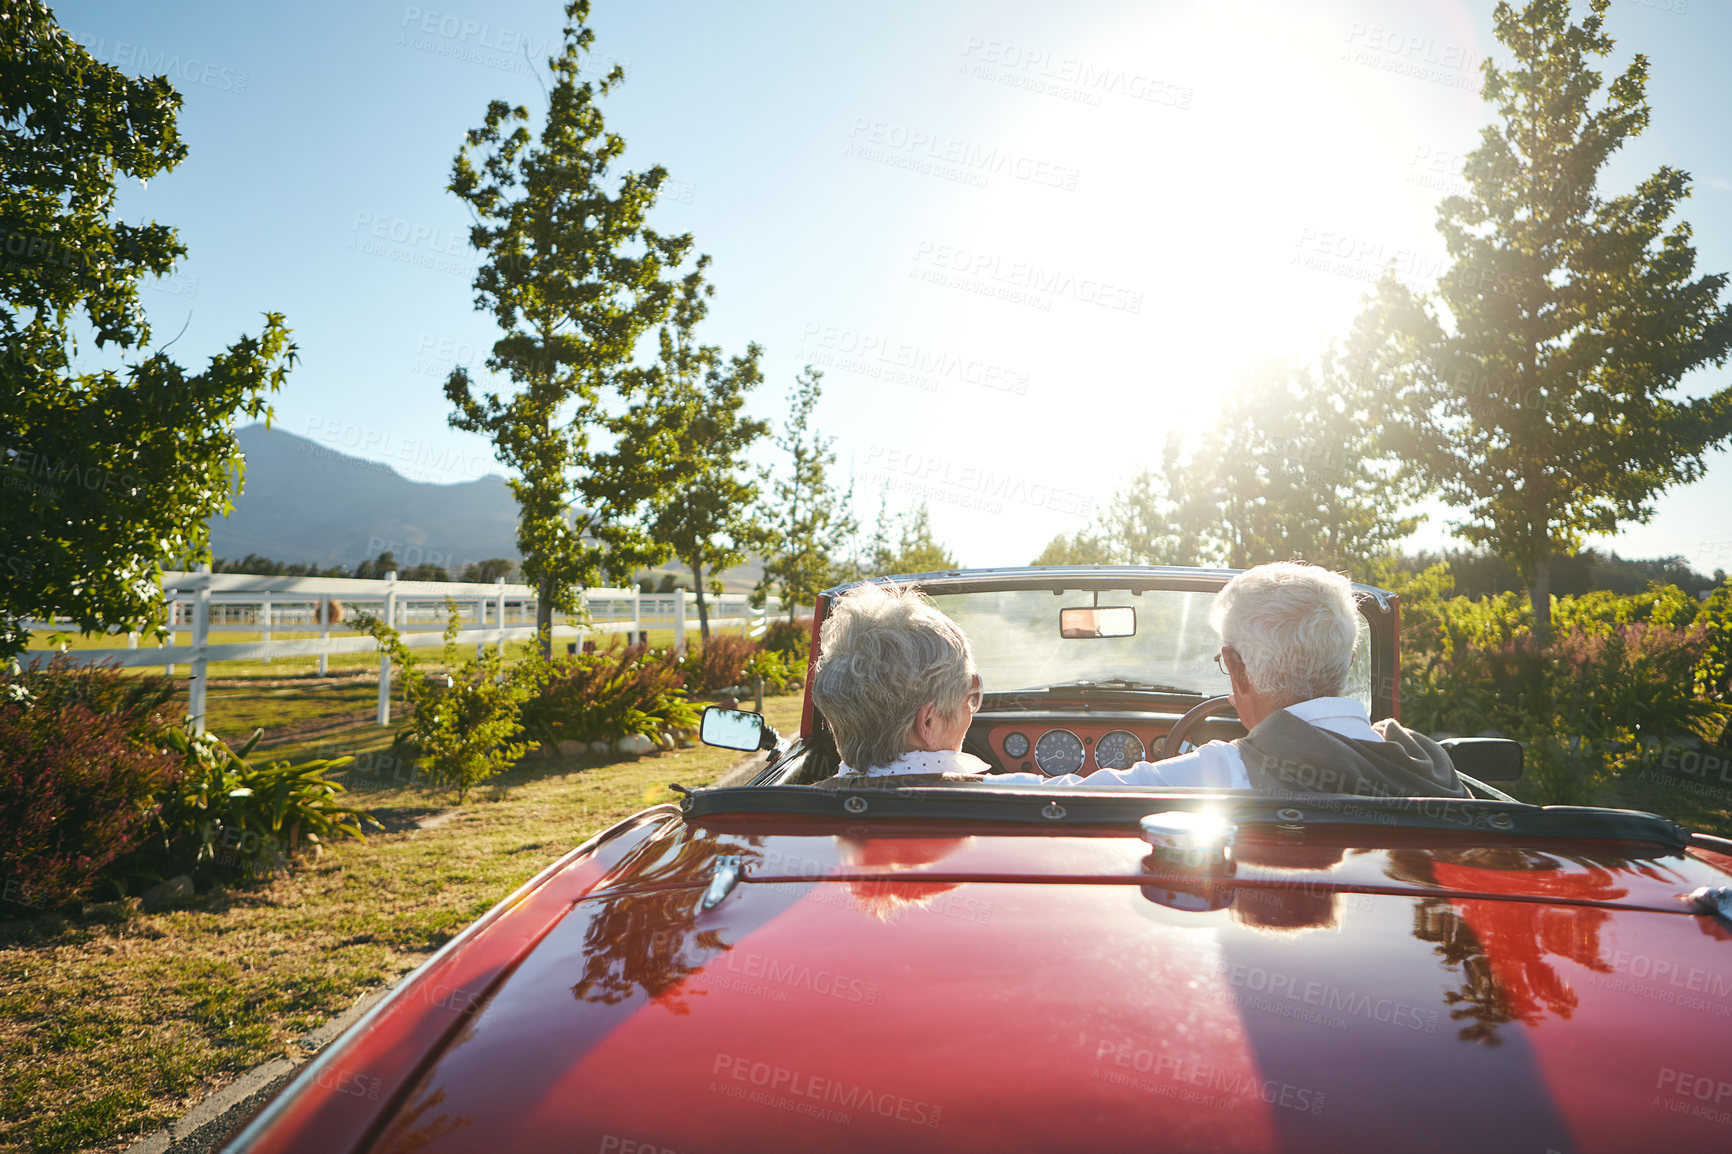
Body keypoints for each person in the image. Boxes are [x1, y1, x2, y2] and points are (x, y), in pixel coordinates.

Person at [997, 562, 1467, 798]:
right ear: (1347, 657)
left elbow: (1062, 798)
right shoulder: (1432, 768)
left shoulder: (1225, 773)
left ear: (1237, 670)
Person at [809, 582, 990, 786]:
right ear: (928, 722)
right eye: (969, 699)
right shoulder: (1018, 798)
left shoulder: (796, 808)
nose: (970, 712)